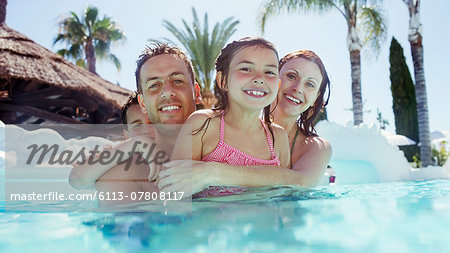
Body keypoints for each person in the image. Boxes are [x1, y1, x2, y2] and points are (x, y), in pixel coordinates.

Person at [158, 49, 331, 195]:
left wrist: (212, 172)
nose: (298, 88)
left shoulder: (317, 147)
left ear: (316, 99)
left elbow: (302, 182)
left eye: (310, 84)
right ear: (274, 80)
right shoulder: (219, 125)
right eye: (292, 76)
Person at [69, 43, 201, 192]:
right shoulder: (125, 169)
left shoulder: (225, 148)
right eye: (154, 85)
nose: (167, 91)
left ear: (196, 92)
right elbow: (77, 179)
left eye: (177, 80)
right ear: (143, 103)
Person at [168, 37, 290, 196]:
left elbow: (286, 194)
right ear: (223, 80)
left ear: (278, 85)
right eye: (246, 69)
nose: (260, 78)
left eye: (269, 72)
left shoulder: (278, 138)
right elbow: (173, 193)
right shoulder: (204, 124)